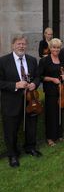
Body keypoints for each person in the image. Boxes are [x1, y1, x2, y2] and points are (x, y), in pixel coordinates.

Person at [0, 36, 42, 168]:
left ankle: (30, 147)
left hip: (30, 100)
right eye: (18, 44)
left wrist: (34, 84)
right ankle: (12, 155)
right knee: (11, 130)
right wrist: (16, 85)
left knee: (31, 125)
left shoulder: (32, 60)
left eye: (24, 44)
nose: (21, 46)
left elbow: (37, 77)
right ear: (13, 45)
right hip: (11, 102)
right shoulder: (3, 61)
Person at [38, 38, 64, 147]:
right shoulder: (44, 60)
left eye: (58, 47)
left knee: (59, 112)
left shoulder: (62, 59)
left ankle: (59, 135)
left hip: (61, 90)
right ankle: (50, 138)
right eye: (54, 47)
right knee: (51, 114)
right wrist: (51, 79)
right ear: (50, 48)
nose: (56, 49)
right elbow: (40, 77)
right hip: (50, 91)